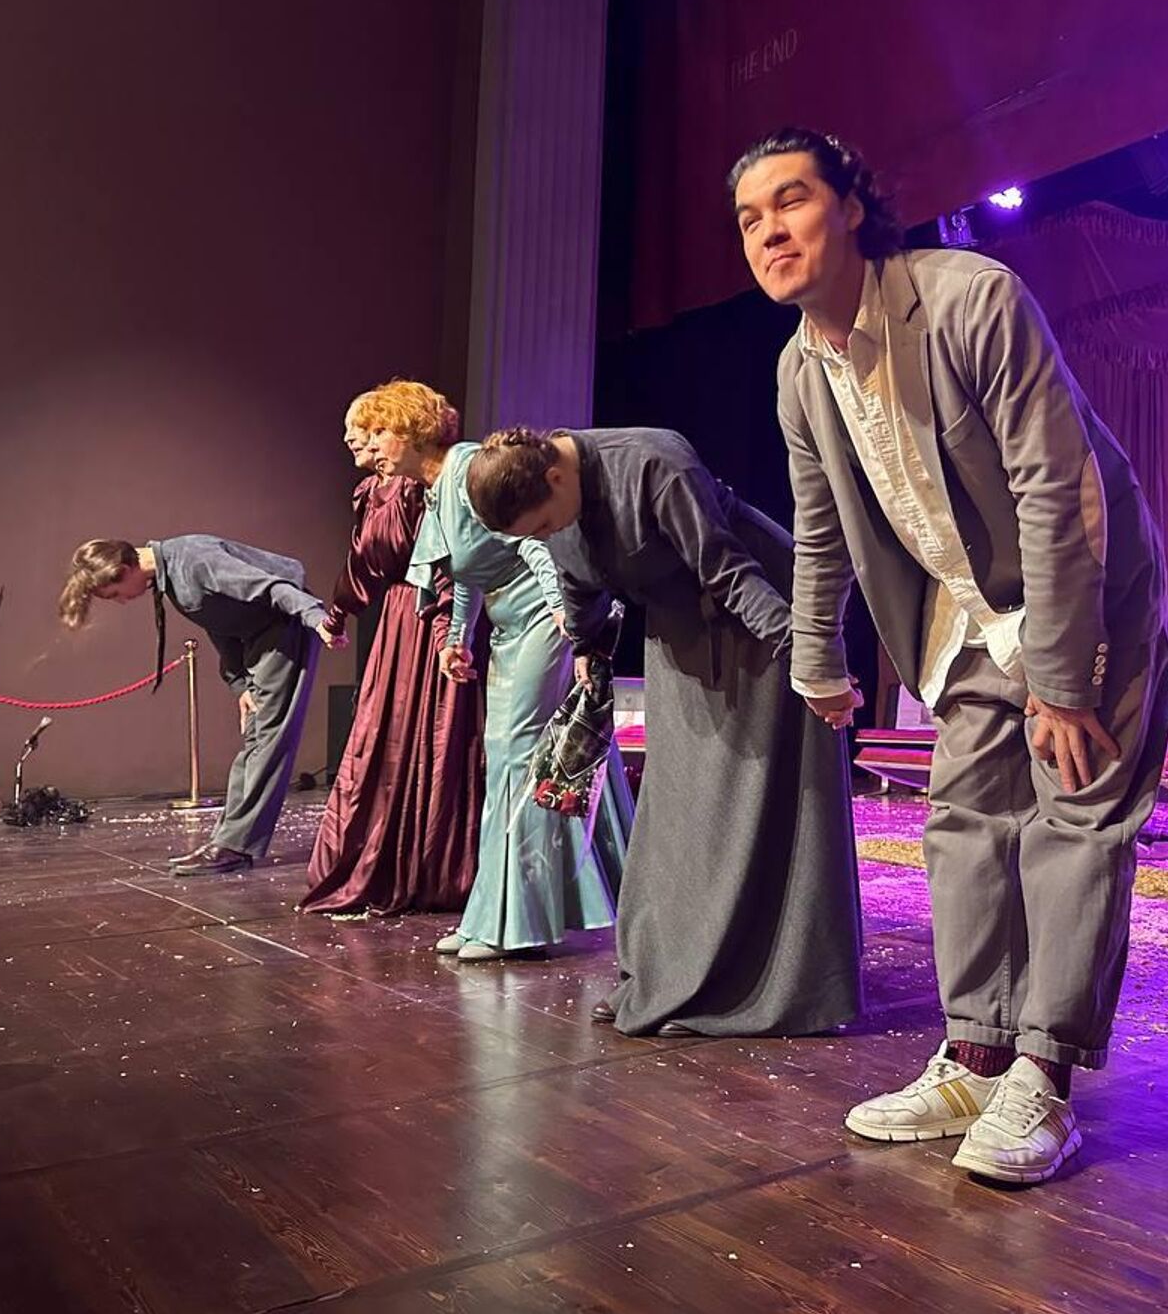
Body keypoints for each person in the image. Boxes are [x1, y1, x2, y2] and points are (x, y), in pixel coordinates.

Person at [732, 127, 1168, 1184]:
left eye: (790, 201)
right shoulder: (800, 370)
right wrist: (815, 658)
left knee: (1075, 821)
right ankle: (976, 1057)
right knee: (964, 824)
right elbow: (822, 525)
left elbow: (1058, 488)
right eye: (748, 219)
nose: (769, 232)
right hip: (965, 610)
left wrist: (1062, 679)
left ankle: (1043, 1077)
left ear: (850, 206)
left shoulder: (971, 298)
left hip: (1084, 591)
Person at [468, 426, 863, 1037]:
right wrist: (588, 647)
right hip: (680, 633)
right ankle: (670, 973)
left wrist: (811, 660)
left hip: (760, 621)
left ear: (555, 477)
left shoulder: (654, 464)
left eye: (542, 525)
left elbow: (729, 572)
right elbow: (578, 582)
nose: (545, 537)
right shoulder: (559, 505)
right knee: (680, 807)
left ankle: (756, 987)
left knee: (754, 803)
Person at [351, 379, 629, 960]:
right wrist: (456, 641)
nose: (368, 445)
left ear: (413, 430)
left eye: (379, 432)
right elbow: (470, 572)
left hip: (543, 622)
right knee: (509, 759)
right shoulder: (436, 488)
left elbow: (535, 543)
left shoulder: (470, 468)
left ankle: (515, 925)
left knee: (518, 756)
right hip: (508, 629)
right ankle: (497, 914)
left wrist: (568, 616)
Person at [296, 407, 488, 914]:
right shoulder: (374, 491)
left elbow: (444, 559)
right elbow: (362, 564)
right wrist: (337, 614)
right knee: (390, 733)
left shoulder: (415, 489)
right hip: (400, 619)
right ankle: (388, 855)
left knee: (433, 733)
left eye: (364, 430)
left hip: (429, 614)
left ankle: (431, 865)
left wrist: (448, 631)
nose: (351, 439)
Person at [58, 535, 342, 875]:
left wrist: (317, 617)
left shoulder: (193, 560)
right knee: (256, 740)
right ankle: (229, 841)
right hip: (260, 638)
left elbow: (269, 587)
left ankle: (234, 845)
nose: (121, 602)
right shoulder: (172, 578)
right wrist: (240, 684)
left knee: (268, 742)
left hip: (286, 627)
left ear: (124, 569)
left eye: (115, 594)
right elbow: (221, 625)